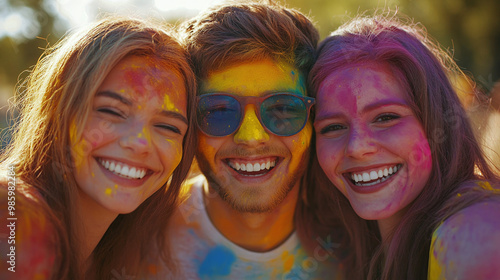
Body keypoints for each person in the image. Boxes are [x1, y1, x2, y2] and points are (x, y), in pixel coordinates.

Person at [157, 1, 344, 279]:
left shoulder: (358, 240)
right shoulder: (136, 233)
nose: (251, 138)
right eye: (219, 110)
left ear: (313, 118)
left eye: (282, 107)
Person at [304, 15, 500, 280]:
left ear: (436, 119)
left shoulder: (472, 233)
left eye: (386, 117)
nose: (357, 147)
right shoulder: (346, 247)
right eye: (332, 127)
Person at [0, 16, 196, 279]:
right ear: (59, 109)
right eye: (111, 111)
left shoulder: (134, 253)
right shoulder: (13, 216)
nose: (139, 143)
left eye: (168, 127)